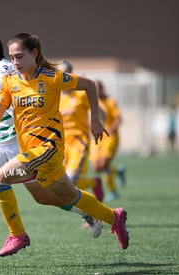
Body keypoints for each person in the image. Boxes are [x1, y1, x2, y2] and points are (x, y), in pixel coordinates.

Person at [0, 32, 129, 256]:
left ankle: (17, 235)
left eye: (20, 56)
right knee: (70, 197)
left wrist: (96, 119)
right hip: (33, 153)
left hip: (48, 149)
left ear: (34, 53)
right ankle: (113, 217)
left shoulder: (51, 77)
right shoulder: (10, 83)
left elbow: (88, 85)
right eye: (11, 58)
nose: (15, 62)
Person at [0, 34, 102, 254]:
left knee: (43, 196)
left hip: (19, 142)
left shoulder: (4, 70)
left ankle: (86, 211)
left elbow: (11, 100)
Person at [58, 60, 105, 229]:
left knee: (70, 180)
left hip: (79, 141)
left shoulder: (80, 95)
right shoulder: (55, 96)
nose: (63, 77)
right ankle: (93, 183)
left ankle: (91, 215)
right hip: (60, 145)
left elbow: (100, 112)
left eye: (66, 74)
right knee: (63, 183)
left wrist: (98, 122)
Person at [89, 80, 125, 201]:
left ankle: (113, 191)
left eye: (98, 88)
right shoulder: (91, 102)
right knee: (96, 167)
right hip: (98, 137)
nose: (96, 91)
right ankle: (117, 171)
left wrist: (110, 129)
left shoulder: (110, 102)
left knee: (104, 164)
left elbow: (119, 119)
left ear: (102, 89)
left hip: (110, 137)